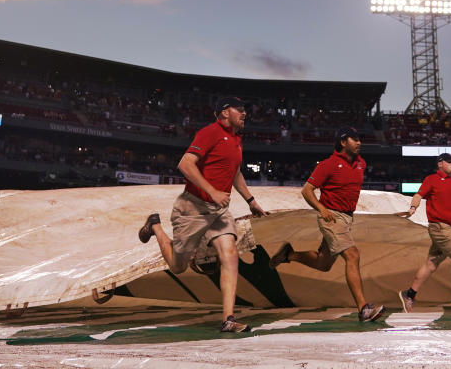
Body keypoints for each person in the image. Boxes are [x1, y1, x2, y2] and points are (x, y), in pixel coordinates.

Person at [137, 96, 266, 333]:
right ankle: (155, 226)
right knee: (178, 266)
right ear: (225, 112)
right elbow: (185, 165)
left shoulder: (236, 139)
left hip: (218, 211)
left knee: (230, 255)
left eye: (245, 109)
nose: (245, 113)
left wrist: (251, 201)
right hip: (193, 208)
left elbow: (234, 172)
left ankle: (228, 319)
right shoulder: (210, 132)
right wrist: (213, 191)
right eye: (240, 109)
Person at [269, 127, 385, 322]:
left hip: (347, 219)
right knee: (353, 255)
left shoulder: (361, 163)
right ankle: (364, 309)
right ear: (342, 142)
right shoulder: (328, 165)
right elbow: (307, 191)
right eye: (354, 139)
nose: (359, 142)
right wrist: (322, 209)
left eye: (359, 139)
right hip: (332, 218)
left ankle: (288, 254)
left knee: (323, 263)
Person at [397, 153, 451, 312]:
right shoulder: (432, 179)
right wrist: (413, 208)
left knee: (431, 264)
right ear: (440, 163)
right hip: (440, 227)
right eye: (449, 161)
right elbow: (419, 194)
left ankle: (409, 294)